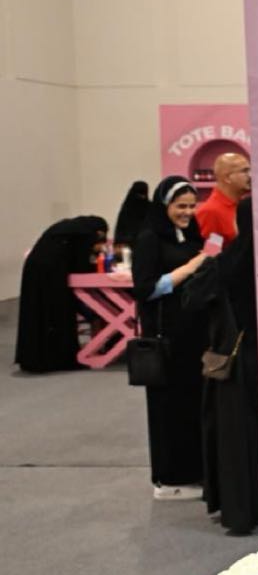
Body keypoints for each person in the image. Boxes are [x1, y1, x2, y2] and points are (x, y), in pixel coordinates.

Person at [183, 198, 258, 534]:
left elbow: (191, 300)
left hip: (234, 363)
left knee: (236, 439)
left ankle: (240, 511)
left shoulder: (225, 262)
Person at [132, 176, 209, 500]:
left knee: (190, 407)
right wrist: (190, 267)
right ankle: (169, 479)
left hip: (192, 338)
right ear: (164, 206)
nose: (187, 212)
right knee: (168, 410)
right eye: (180, 206)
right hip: (165, 339)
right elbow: (146, 288)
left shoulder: (190, 234)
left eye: (191, 206)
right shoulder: (149, 238)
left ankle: (193, 473)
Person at [15, 216, 109, 373]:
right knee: (57, 312)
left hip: (35, 269)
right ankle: (57, 358)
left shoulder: (70, 229)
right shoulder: (85, 234)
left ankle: (34, 357)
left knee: (36, 312)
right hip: (51, 273)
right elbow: (82, 267)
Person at [195, 153, 251, 244]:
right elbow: (210, 251)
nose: (250, 176)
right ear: (227, 178)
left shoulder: (244, 206)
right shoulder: (210, 212)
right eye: (245, 171)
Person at [114, 180, 150, 249]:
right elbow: (120, 231)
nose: (141, 197)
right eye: (139, 194)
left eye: (143, 194)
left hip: (147, 246)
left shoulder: (151, 208)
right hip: (127, 248)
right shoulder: (126, 209)